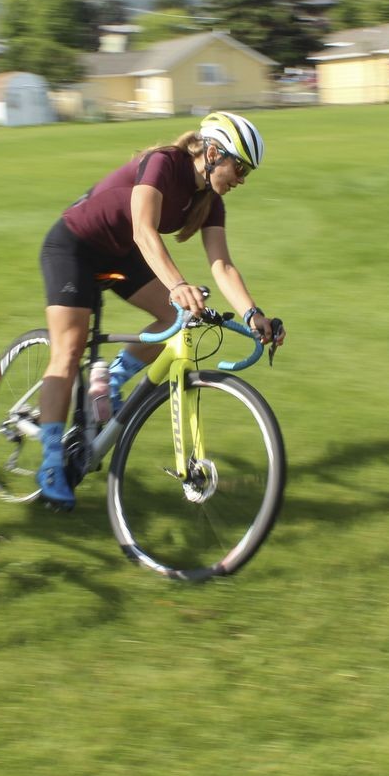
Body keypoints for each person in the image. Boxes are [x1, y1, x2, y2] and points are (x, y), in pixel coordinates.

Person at [34, 111, 286, 511]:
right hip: (75, 245)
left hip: (120, 255)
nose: (241, 179)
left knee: (174, 319)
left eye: (247, 172)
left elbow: (222, 264)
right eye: (239, 167)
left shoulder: (209, 200)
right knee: (68, 350)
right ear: (214, 152)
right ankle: (50, 462)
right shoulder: (164, 162)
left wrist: (253, 314)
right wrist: (178, 285)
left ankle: (111, 379)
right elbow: (143, 230)